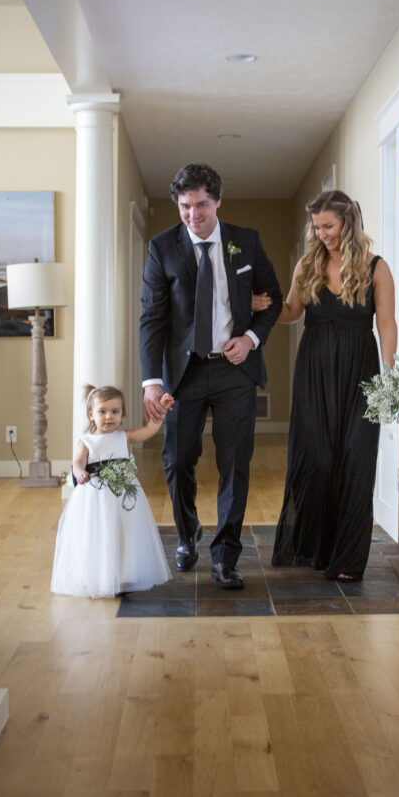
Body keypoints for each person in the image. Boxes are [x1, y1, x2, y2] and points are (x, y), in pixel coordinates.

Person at [139, 163, 282, 589]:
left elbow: (271, 301)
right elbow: (152, 319)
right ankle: (187, 537)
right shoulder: (162, 248)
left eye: (202, 204)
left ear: (217, 201)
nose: (194, 214)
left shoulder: (246, 243)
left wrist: (252, 338)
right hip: (182, 374)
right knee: (178, 460)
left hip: (234, 370)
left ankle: (225, 557)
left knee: (235, 463)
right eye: (185, 206)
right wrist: (152, 380)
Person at [266, 190, 397, 581]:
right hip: (315, 371)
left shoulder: (376, 267)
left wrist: (388, 371)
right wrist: (263, 307)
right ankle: (318, 547)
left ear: (348, 222)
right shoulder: (308, 265)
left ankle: (349, 560)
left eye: (329, 226)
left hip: (362, 372)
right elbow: (291, 312)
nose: (322, 233)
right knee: (319, 460)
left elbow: (387, 323)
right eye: (317, 227)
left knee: (356, 460)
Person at [51, 384, 174, 598]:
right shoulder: (87, 441)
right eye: (102, 412)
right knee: (99, 532)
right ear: (91, 414)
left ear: (122, 414)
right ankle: (98, 575)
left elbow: (149, 431)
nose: (109, 417)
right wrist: (80, 473)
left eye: (115, 412)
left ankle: (124, 572)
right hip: (95, 495)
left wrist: (160, 411)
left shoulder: (123, 436)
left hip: (123, 493)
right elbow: (77, 463)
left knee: (124, 531)